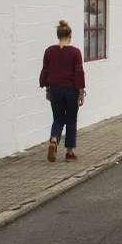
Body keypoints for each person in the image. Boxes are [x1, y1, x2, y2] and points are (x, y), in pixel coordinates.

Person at [39, 20, 86, 162]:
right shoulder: (75, 52)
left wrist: (47, 88)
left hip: (54, 89)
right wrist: (81, 91)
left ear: (58, 35)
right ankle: (69, 152)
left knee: (58, 118)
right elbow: (79, 73)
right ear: (70, 35)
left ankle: (54, 139)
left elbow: (46, 70)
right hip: (71, 90)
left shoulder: (49, 51)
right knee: (71, 119)